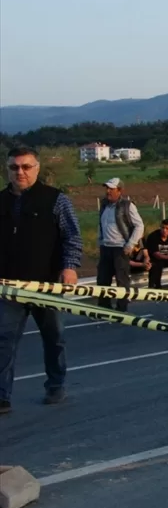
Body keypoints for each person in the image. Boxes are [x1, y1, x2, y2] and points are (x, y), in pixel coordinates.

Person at [0, 145, 81, 412]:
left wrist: (69, 268)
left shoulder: (55, 200)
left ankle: (56, 385)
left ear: (37, 168)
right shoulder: (1, 202)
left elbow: (71, 236)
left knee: (54, 337)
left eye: (26, 167)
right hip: (9, 288)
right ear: (7, 169)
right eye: (14, 167)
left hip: (47, 285)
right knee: (4, 341)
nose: (20, 172)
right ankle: (2, 396)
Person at [97, 177, 144, 312]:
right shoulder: (104, 205)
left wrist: (130, 244)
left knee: (121, 279)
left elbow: (139, 226)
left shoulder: (127, 205)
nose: (108, 191)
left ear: (119, 190)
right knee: (103, 279)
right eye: (107, 188)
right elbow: (101, 224)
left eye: (111, 189)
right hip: (106, 247)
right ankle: (103, 308)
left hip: (120, 248)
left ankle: (121, 308)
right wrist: (100, 240)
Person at [144, 218, 168, 290]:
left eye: (167, 228)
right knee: (158, 263)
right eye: (162, 228)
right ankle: (157, 286)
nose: (164, 230)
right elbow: (157, 255)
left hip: (166, 258)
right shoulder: (153, 236)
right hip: (154, 259)